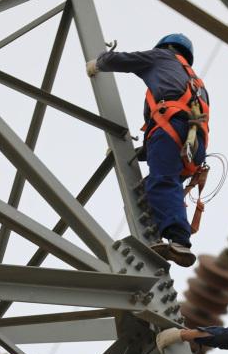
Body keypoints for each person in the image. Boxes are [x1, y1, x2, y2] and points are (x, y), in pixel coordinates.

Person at [86, 34, 209, 268]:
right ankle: (160, 234)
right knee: (160, 185)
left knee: (162, 181)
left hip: (172, 127)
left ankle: (179, 240)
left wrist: (99, 63)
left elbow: (123, 60)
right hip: (195, 144)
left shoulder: (161, 57)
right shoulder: (196, 83)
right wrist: (137, 152)